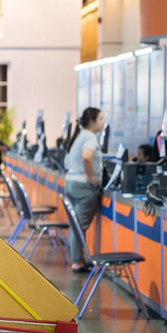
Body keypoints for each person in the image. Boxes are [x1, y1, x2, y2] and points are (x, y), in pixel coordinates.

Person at [64, 107, 105, 273]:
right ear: (92, 121)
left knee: (75, 224)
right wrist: (90, 177)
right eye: (100, 119)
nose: (102, 122)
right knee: (79, 227)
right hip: (83, 186)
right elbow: (87, 156)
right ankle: (77, 262)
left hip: (71, 183)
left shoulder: (80, 135)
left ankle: (76, 258)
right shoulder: (90, 137)